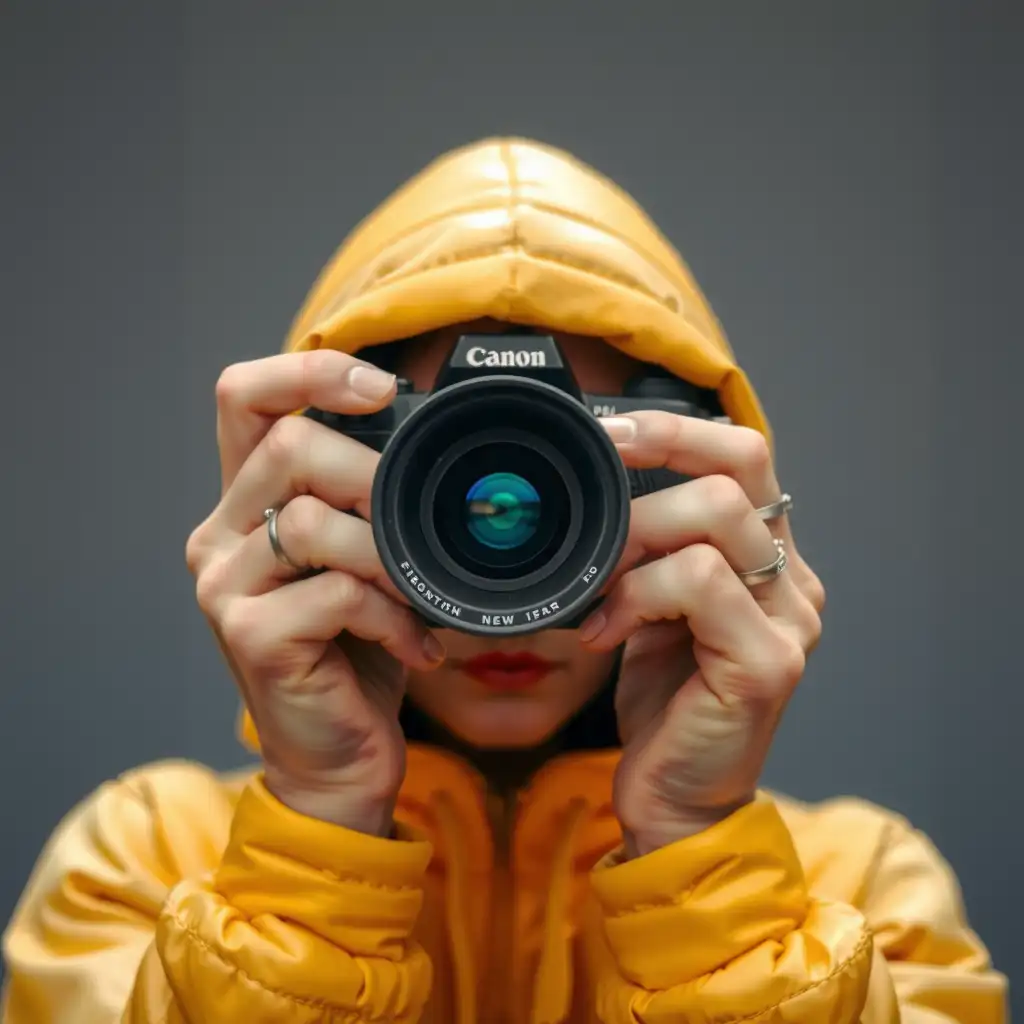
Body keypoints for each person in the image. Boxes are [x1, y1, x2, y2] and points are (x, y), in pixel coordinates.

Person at [1, 138, 1006, 1024]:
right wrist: (314, 836)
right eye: (452, 490)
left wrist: (701, 857)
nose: (507, 550)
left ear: (699, 489)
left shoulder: (869, 890)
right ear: (323, 476)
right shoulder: (138, 859)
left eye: (578, 486)